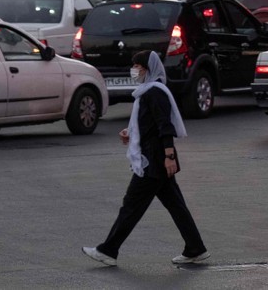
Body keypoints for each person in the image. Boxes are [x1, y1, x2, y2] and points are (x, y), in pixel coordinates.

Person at [82, 51, 208, 267]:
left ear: (148, 68)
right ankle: (195, 248)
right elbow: (148, 123)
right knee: (176, 205)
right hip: (155, 158)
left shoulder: (155, 92)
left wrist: (169, 155)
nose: (135, 70)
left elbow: (164, 126)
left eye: (138, 66)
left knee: (131, 206)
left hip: (154, 161)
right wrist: (130, 133)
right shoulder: (147, 91)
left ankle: (108, 250)